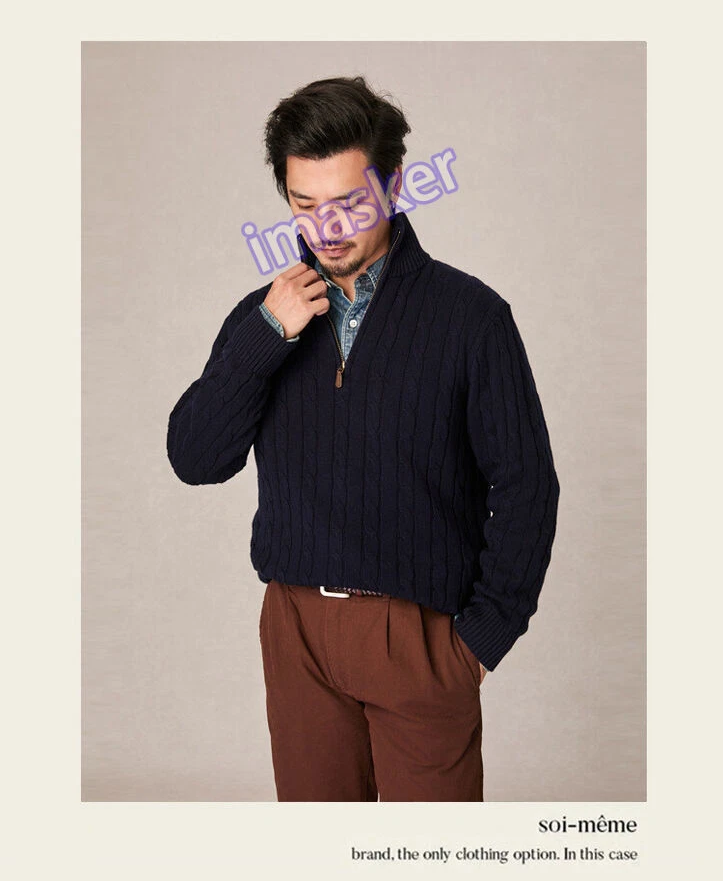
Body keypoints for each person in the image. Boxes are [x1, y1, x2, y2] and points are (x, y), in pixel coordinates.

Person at [166, 75, 560, 802]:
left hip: (421, 638)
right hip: (296, 630)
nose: (329, 228)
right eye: (304, 205)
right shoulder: (263, 318)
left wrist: (481, 639)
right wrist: (266, 336)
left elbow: (526, 484)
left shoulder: (470, 318)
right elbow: (195, 459)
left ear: (394, 184)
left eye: (350, 202)